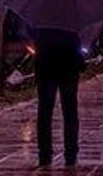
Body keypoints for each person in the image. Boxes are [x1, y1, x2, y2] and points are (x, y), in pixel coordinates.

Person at [32, 27, 81, 167]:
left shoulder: (42, 25)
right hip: (68, 70)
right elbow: (77, 49)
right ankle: (71, 154)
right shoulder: (71, 26)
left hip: (46, 71)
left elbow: (37, 47)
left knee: (45, 112)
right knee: (70, 112)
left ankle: (44, 154)